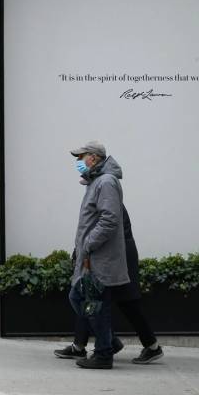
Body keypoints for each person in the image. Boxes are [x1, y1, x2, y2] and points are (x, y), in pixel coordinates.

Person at [55, 204, 164, 364]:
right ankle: (149, 346)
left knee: (96, 299)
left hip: (116, 257)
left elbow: (101, 228)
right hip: (118, 255)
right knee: (99, 299)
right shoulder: (104, 194)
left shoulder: (104, 194)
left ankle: (97, 344)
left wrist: (82, 250)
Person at [65, 140, 130, 369]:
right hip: (91, 257)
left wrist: (89, 244)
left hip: (100, 258)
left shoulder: (106, 182)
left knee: (92, 302)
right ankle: (108, 342)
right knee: (81, 298)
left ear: (93, 158)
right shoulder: (95, 182)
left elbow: (110, 220)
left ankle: (104, 353)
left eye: (81, 158)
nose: (79, 162)